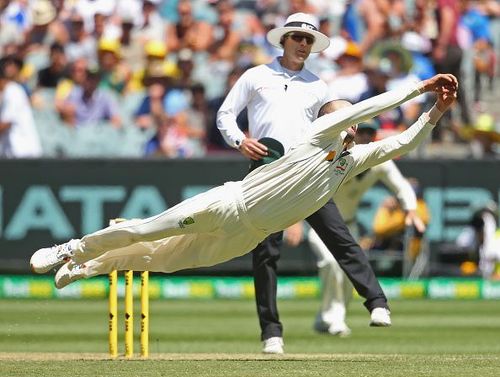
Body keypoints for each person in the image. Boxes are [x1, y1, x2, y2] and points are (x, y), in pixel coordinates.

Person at [31, 73, 457, 347]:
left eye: (356, 124)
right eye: (346, 118)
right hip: (229, 204)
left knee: (161, 260)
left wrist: (435, 111)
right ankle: (70, 250)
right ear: (330, 120)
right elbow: (370, 107)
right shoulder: (316, 135)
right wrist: (419, 88)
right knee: (147, 231)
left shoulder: (352, 160)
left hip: (246, 234)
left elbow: (403, 143)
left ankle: (84, 269)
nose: (354, 125)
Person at [216, 12, 384, 355]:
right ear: (284, 40)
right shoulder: (256, 75)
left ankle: (377, 302)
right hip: (264, 169)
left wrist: (347, 129)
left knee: (340, 237)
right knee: (265, 254)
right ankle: (271, 333)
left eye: (309, 40)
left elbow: (337, 113)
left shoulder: (317, 84)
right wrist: (239, 141)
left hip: (307, 171)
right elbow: (225, 114)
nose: (304, 45)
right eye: (298, 38)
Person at [308, 120, 427, 337]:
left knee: (347, 271)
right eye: (361, 131)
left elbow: (401, 186)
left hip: (349, 225)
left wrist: (410, 209)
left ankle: (329, 317)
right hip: (321, 223)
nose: (365, 137)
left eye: (370, 133)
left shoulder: (378, 161)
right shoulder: (335, 154)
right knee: (331, 263)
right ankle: (333, 317)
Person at [0, 57, 43, 158]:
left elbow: (5, 124)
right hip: (16, 156)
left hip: (24, 155)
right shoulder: (9, 92)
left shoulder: (12, 91)